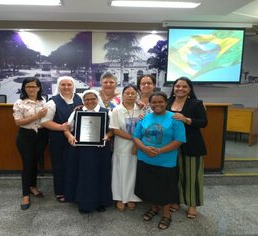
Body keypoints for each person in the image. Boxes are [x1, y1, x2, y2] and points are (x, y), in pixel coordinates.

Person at [133, 91, 186, 230]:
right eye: (154, 102)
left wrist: (160, 151)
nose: (157, 105)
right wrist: (144, 149)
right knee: (149, 186)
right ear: (150, 104)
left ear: (166, 102)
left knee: (165, 189)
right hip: (145, 159)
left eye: (160, 102)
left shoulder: (175, 118)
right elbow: (136, 137)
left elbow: (179, 140)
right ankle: (153, 209)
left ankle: (166, 214)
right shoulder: (144, 118)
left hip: (165, 161)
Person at [64, 89, 113, 214]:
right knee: (83, 176)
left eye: (93, 98)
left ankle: (100, 202)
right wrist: (70, 136)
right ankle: (83, 202)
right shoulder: (77, 112)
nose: (90, 101)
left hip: (100, 150)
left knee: (100, 175)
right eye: (86, 99)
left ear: (97, 99)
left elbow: (112, 130)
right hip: (81, 151)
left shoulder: (107, 112)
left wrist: (107, 136)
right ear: (83, 101)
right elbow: (66, 128)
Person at [166, 77, 208, 219]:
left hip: (192, 145)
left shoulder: (196, 103)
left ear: (189, 89)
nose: (180, 89)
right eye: (178, 86)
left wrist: (186, 119)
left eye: (184, 86)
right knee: (175, 175)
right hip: (171, 145)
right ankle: (176, 201)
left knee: (192, 176)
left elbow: (203, 123)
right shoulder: (168, 102)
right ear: (174, 87)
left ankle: (192, 205)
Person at [41, 76, 83, 203]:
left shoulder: (79, 98)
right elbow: (45, 122)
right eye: (63, 85)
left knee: (74, 164)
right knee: (59, 165)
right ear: (58, 86)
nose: (66, 87)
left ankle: (73, 189)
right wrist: (61, 127)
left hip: (76, 138)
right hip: (58, 139)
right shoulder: (52, 102)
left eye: (69, 85)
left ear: (73, 86)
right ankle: (60, 191)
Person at [13, 78, 48, 210]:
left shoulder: (43, 101)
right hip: (25, 137)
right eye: (28, 87)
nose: (31, 89)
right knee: (27, 165)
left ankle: (33, 187)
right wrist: (37, 115)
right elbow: (18, 122)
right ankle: (25, 195)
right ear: (24, 88)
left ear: (39, 88)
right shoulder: (19, 103)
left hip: (41, 136)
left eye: (34, 86)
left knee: (34, 163)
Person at [110, 84, 143, 212]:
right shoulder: (116, 110)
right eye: (127, 93)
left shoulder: (141, 109)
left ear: (137, 95)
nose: (130, 95)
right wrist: (133, 138)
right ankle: (119, 197)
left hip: (137, 147)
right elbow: (114, 130)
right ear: (122, 95)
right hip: (121, 146)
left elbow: (145, 127)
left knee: (133, 172)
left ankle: (131, 197)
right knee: (119, 172)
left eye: (133, 93)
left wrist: (137, 142)